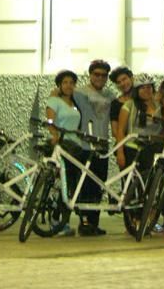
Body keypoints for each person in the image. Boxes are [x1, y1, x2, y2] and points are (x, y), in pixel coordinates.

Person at [73, 59, 113, 236]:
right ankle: (84, 222)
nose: (100, 78)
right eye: (97, 74)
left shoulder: (110, 95)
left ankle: (94, 223)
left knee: (98, 185)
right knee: (84, 185)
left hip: (102, 144)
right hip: (84, 145)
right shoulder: (79, 93)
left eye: (104, 75)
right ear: (90, 75)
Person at [45, 69, 84, 237]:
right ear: (59, 85)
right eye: (65, 82)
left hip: (75, 147)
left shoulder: (75, 103)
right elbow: (50, 121)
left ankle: (64, 221)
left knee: (72, 186)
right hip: (62, 146)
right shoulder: (54, 100)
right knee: (63, 184)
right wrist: (54, 135)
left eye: (72, 83)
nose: (69, 85)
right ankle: (56, 220)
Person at [117, 75, 161, 169]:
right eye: (142, 88)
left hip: (154, 151)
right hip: (133, 150)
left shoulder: (159, 107)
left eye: (148, 87)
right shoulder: (129, 105)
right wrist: (120, 153)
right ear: (136, 90)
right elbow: (120, 131)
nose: (146, 90)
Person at [109, 64, 134, 166]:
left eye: (124, 79)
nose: (122, 84)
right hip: (125, 148)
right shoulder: (115, 104)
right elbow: (115, 131)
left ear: (131, 78)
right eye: (118, 82)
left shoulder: (142, 99)